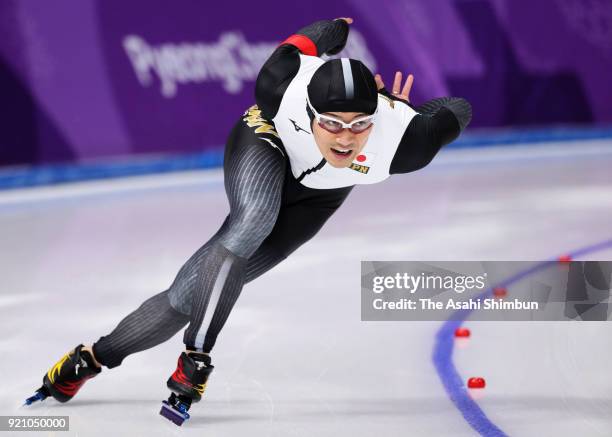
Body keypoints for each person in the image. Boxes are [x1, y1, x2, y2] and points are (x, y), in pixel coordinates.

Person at [25, 17, 472, 426]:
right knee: (252, 219)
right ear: (311, 113)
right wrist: (334, 29)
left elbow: (459, 107)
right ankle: (196, 360)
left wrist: (409, 115)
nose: (346, 137)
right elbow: (303, 41)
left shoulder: (403, 141)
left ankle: (89, 359)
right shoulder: (282, 86)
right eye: (332, 123)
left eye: (360, 125)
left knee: (188, 294)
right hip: (266, 143)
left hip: (317, 199)